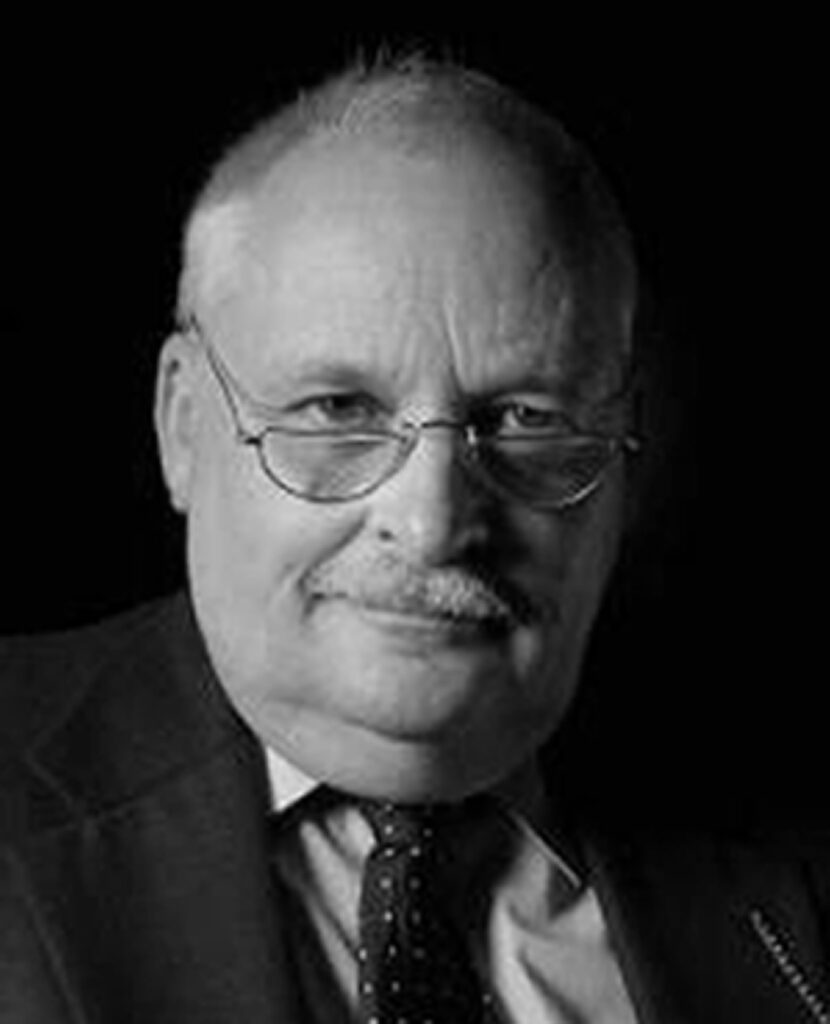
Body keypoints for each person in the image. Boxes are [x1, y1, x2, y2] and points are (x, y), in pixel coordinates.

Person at [0, 53, 826, 1024]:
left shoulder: (786, 857)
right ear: (182, 425)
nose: (433, 525)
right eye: (338, 408)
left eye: (524, 418)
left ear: (627, 457)